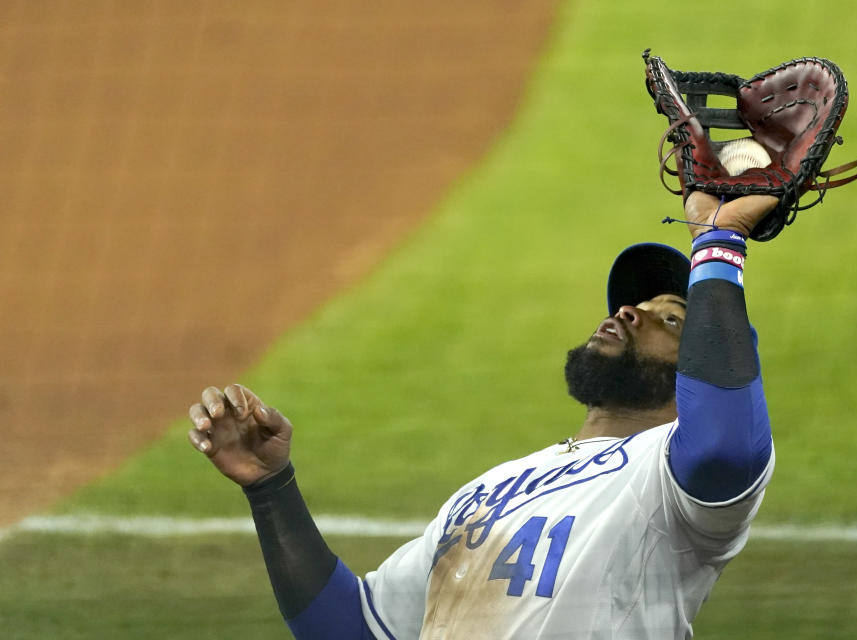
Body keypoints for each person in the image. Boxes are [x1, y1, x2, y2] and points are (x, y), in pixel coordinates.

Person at [187, 191, 779, 639]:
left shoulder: (670, 479)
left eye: (670, 319)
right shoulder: (488, 489)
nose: (630, 312)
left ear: (701, 369)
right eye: (635, 304)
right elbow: (357, 629)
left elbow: (725, 445)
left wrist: (717, 244)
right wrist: (271, 490)